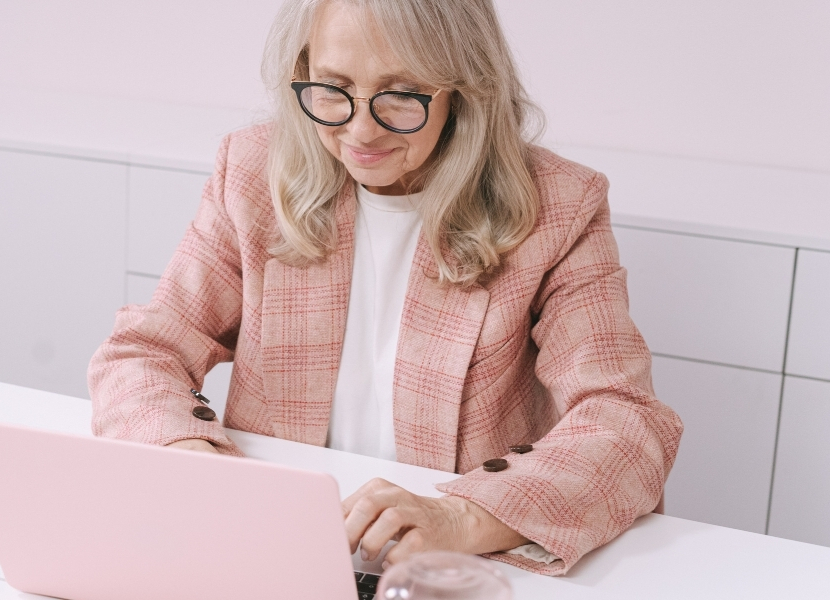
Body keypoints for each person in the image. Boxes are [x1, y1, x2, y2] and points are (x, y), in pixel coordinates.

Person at [88, 0, 682, 576]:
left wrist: (457, 518)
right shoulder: (251, 172)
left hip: (445, 570)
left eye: (400, 94)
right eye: (332, 86)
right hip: (276, 549)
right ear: (303, 73)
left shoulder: (558, 205)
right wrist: (190, 459)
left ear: (464, 90)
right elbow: (144, 352)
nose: (360, 128)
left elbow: (625, 423)